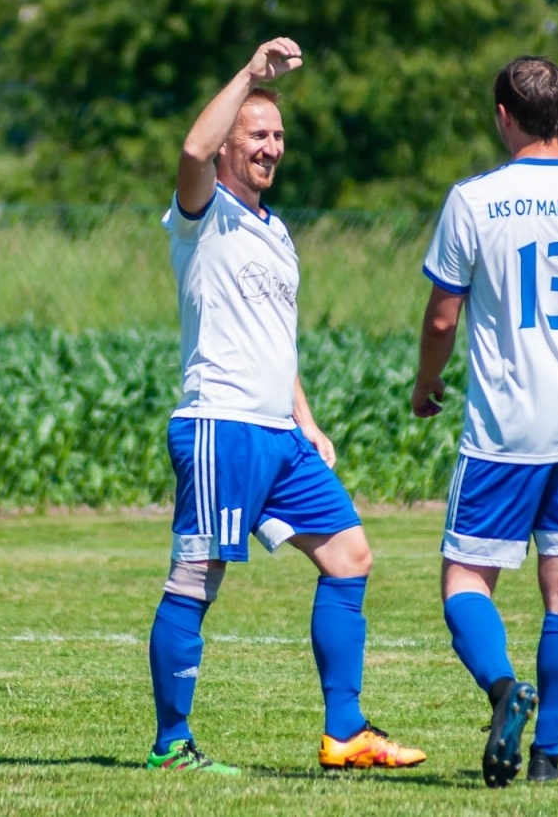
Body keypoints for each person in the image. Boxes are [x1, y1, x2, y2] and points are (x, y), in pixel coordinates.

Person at [146, 38, 427, 775]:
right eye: (256, 135)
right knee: (196, 579)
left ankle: (346, 733)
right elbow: (191, 148)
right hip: (221, 425)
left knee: (350, 557)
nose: (270, 147)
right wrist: (248, 76)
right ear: (229, 145)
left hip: (280, 435)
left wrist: (306, 420)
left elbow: (277, 342)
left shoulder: (277, 232)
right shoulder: (202, 213)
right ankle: (171, 745)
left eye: (277, 136)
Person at [411, 56, 558, 788]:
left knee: (464, 579)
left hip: (505, 432)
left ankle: (505, 687)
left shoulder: (474, 200)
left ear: (503, 117)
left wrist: (426, 380)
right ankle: (548, 757)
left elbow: (442, 317)